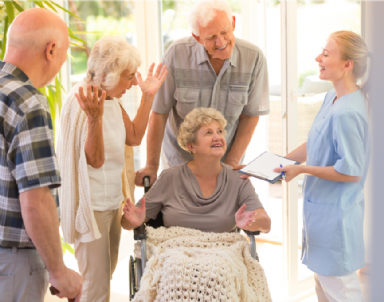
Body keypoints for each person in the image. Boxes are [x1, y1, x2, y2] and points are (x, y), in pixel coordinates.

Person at [57, 35, 167, 301]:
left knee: (103, 276)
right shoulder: (80, 100)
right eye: (128, 77)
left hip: (112, 201)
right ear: (110, 74)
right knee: (96, 288)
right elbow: (94, 160)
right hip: (90, 205)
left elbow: (134, 136)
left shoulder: (111, 100)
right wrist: (95, 120)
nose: (132, 83)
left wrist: (148, 96)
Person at [274, 31, 370, 302]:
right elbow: (315, 142)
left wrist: (302, 170)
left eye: (326, 54)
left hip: (336, 220)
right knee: (325, 292)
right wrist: (281, 162)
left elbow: (351, 172)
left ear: (347, 65)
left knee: (341, 292)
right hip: (321, 216)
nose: (318, 58)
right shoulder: (332, 98)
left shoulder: (348, 112)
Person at [135, 0, 270, 188]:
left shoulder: (254, 58)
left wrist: (231, 162)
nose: (221, 42)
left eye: (224, 32)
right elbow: (159, 113)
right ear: (197, 37)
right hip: (179, 162)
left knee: (227, 217)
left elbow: (250, 115)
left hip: (226, 164)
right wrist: (151, 165)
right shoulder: (176, 54)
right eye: (211, 37)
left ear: (233, 23)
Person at [0, 8, 83, 302]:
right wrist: (59, 272)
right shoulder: (27, 101)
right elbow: (35, 201)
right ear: (51, 50)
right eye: (64, 54)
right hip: (12, 266)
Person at [122, 107, 271, 234]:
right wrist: (135, 221)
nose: (217, 137)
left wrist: (251, 222)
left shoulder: (237, 178)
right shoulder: (170, 177)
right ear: (191, 146)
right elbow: (126, 222)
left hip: (223, 256)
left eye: (219, 131)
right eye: (208, 133)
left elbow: (266, 223)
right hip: (175, 254)